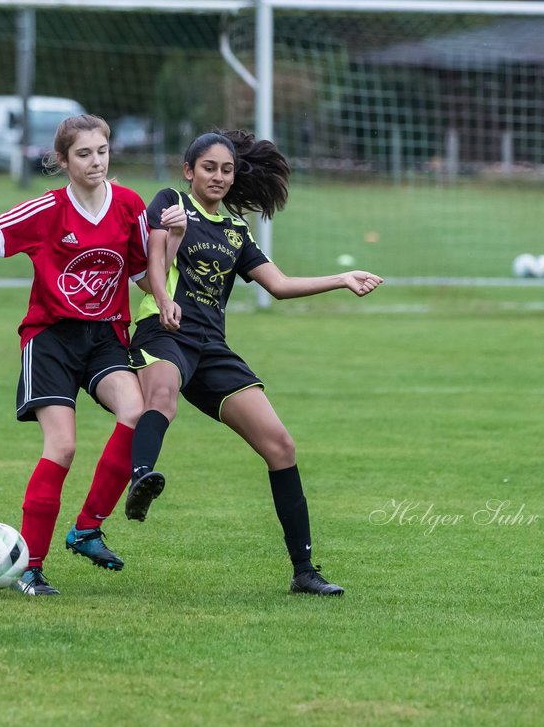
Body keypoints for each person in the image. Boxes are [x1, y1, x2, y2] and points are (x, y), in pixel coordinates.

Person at [124, 128, 383, 596]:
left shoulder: (236, 232)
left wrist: (342, 278)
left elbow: (280, 286)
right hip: (163, 332)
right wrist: (164, 298)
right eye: (209, 168)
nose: (219, 177)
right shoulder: (169, 202)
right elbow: (150, 267)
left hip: (211, 348)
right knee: (161, 395)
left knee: (281, 445)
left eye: (227, 169)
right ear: (188, 171)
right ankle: (142, 478)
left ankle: (304, 571)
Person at [0, 114, 183, 597]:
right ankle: (31, 566)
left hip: (106, 335)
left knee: (137, 412)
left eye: (102, 151)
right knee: (63, 447)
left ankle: (88, 528)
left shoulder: (129, 205)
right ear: (63, 161)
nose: (96, 162)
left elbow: (145, 275)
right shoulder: (46, 210)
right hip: (50, 340)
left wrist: (170, 238)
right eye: (84, 154)